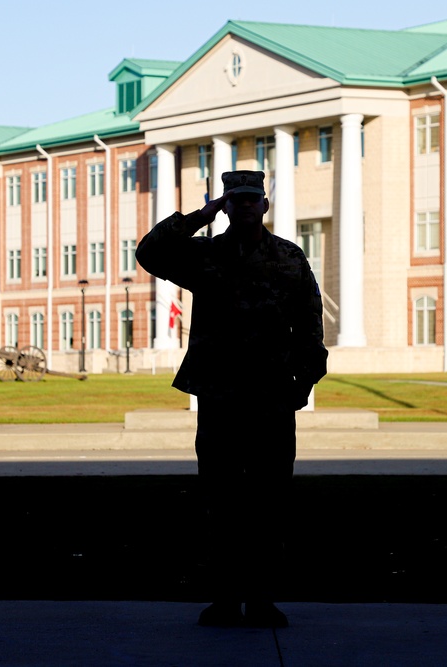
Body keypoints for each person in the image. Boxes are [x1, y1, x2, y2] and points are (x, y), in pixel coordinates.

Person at [136, 170, 328, 628]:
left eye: (251, 200)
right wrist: (200, 215)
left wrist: (304, 382)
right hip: (221, 399)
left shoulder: (288, 257)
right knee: (221, 502)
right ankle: (224, 599)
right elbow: (149, 252)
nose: (244, 207)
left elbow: (309, 322)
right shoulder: (205, 255)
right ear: (227, 204)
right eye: (235, 200)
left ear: (264, 206)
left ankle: (261, 599)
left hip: (271, 399)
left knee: (269, 502)